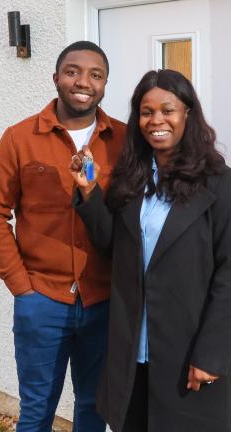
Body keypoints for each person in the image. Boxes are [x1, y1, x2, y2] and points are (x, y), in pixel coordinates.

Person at [0, 41, 126, 432]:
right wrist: (20, 285)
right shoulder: (20, 138)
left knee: (94, 407)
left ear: (106, 84)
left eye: (96, 74)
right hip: (41, 299)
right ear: (56, 78)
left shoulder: (123, 142)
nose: (83, 82)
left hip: (103, 299)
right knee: (37, 408)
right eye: (73, 71)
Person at [70, 69, 231, 432]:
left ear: (188, 114)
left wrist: (212, 354)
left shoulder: (219, 184)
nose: (156, 120)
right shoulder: (133, 177)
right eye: (146, 112)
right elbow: (111, 245)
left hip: (187, 353)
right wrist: (90, 193)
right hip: (132, 352)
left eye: (168, 110)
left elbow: (228, 275)